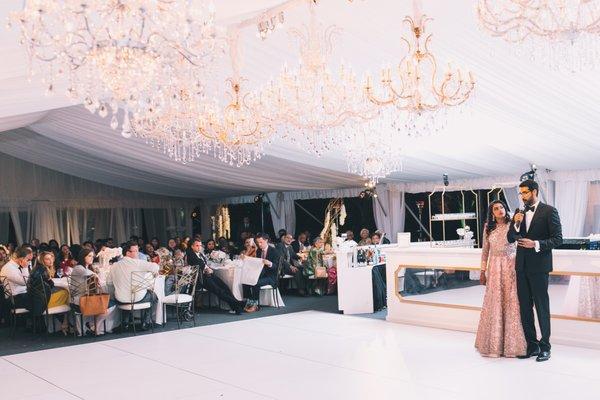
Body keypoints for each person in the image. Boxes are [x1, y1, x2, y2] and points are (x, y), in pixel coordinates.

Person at [507, 180, 563, 362]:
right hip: (521, 267)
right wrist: (515, 224)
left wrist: (536, 244)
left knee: (541, 307)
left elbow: (558, 239)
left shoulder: (549, 211)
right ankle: (532, 345)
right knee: (525, 308)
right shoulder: (518, 212)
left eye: (525, 193)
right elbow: (510, 237)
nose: (523, 196)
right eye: (521, 193)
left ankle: (545, 346)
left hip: (539, 267)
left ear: (535, 191)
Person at [475, 200, 527, 358]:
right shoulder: (488, 228)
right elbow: (485, 251)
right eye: (496, 209)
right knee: (496, 301)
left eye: (502, 207)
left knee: (512, 302)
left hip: (512, 266)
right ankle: (494, 343)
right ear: (492, 213)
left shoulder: (514, 224)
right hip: (495, 268)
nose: (499, 210)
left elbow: (522, 242)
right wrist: (482, 271)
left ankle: (514, 344)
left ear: (506, 209)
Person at [108, 241, 159, 330]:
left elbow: (109, 283)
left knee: (126, 295)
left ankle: (125, 323)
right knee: (153, 296)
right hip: (137, 298)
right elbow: (156, 267)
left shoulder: (114, 265)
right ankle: (145, 322)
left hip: (120, 299)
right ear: (128, 253)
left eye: (137, 250)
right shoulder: (139, 263)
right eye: (135, 251)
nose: (137, 253)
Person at [186, 239, 245, 314]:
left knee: (225, 287)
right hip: (200, 278)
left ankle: (236, 307)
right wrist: (207, 269)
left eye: (200, 245)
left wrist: (208, 268)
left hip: (208, 275)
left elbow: (204, 264)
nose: (199, 247)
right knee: (219, 290)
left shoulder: (199, 253)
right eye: (197, 246)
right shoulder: (190, 254)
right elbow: (199, 264)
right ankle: (238, 304)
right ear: (192, 246)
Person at [72, 248, 114, 335]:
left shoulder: (88, 268)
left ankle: (94, 326)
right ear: (83, 257)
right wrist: (95, 274)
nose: (92, 258)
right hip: (80, 300)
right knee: (109, 305)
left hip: (87, 297)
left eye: (92, 256)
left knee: (109, 305)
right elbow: (87, 273)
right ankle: (94, 325)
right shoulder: (78, 268)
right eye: (89, 256)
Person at [29, 251, 70, 334]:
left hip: (36, 299)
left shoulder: (36, 268)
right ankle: (66, 323)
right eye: (47, 259)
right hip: (43, 301)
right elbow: (51, 285)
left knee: (64, 293)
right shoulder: (43, 270)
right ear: (42, 260)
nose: (51, 261)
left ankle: (64, 323)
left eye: (51, 258)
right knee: (67, 294)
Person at [243, 233, 281, 312]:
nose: (259, 245)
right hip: (261, 274)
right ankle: (249, 302)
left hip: (271, 277)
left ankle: (255, 305)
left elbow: (276, 267)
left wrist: (269, 263)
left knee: (255, 283)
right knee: (245, 281)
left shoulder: (274, 251)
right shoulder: (259, 251)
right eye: (258, 243)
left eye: (261, 242)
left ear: (266, 240)